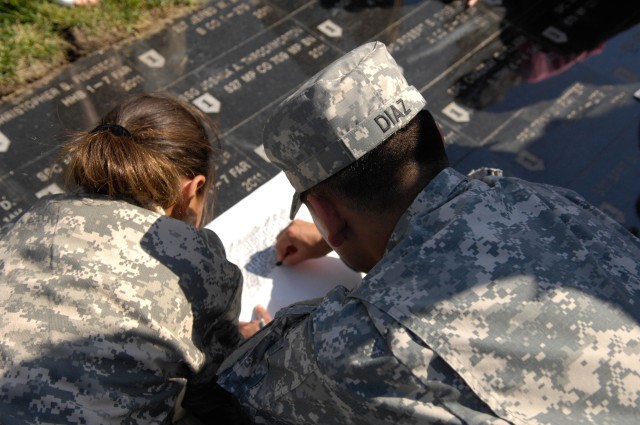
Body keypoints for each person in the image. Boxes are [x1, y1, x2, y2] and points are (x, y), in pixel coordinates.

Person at [217, 42, 640, 424]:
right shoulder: (549, 201)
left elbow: (248, 387)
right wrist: (341, 236)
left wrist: (262, 340)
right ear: (437, 135)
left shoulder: (360, 344)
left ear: (325, 212)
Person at [0, 93, 253, 424]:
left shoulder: (27, 222)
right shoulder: (197, 258)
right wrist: (247, 349)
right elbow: (222, 394)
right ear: (192, 190)